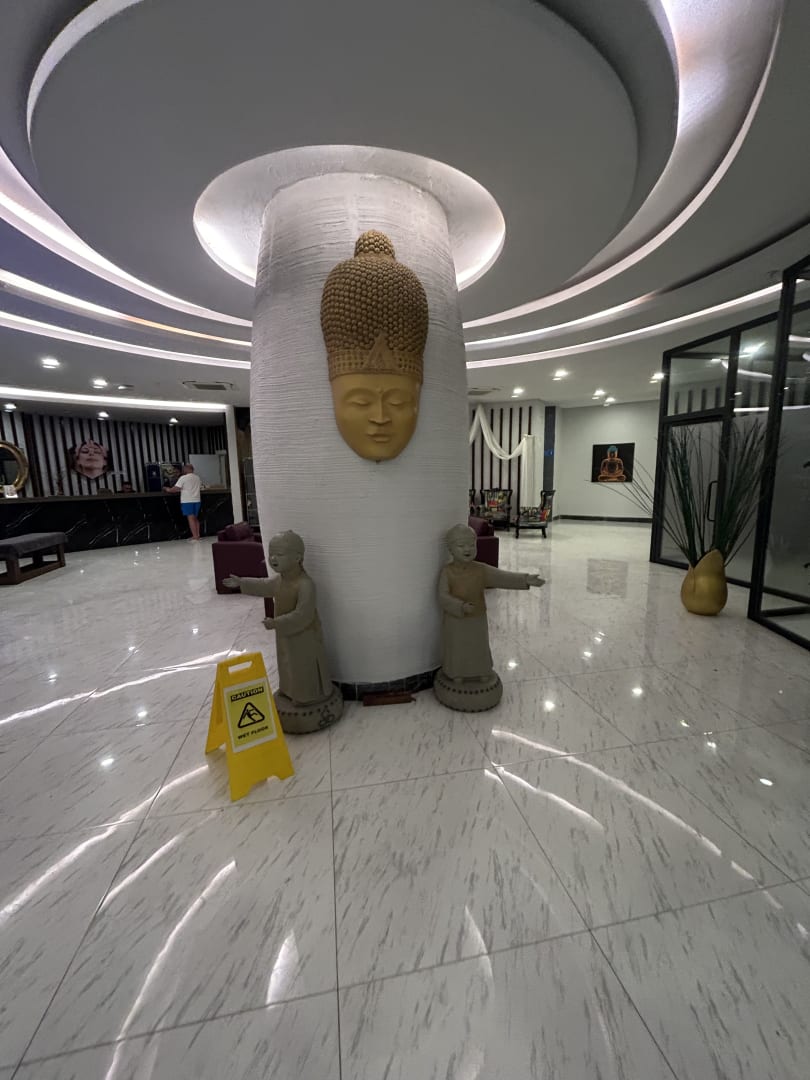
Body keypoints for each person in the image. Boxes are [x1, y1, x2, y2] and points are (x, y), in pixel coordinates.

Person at [223, 531, 335, 707]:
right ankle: (289, 691)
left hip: (304, 637)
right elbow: (264, 585)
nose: (273, 558)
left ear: (297, 557)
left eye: (280, 554)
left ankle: (307, 696)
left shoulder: (305, 584)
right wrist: (242, 583)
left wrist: (276, 623)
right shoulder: (280, 581)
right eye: (271, 554)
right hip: (286, 634)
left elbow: (303, 615)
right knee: (287, 662)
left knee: (302, 665)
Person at [439, 524, 545, 682]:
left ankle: (481, 670)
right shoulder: (447, 572)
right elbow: (442, 596)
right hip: (456, 620)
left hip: (477, 616)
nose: (468, 549)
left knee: (479, 645)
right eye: (461, 546)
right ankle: (457, 672)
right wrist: (460, 607)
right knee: (458, 646)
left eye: (471, 545)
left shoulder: (481, 570)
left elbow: (502, 577)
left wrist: (525, 579)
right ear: (451, 549)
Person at [164, 463, 202, 541]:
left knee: (190, 518)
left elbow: (175, 489)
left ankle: (195, 537)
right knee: (195, 518)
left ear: (187, 469)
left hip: (187, 501)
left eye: (184, 469)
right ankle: (197, 535)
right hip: (197, 500)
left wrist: (167, 489)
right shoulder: (197, 477)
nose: (183, 470)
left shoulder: (183, 478)